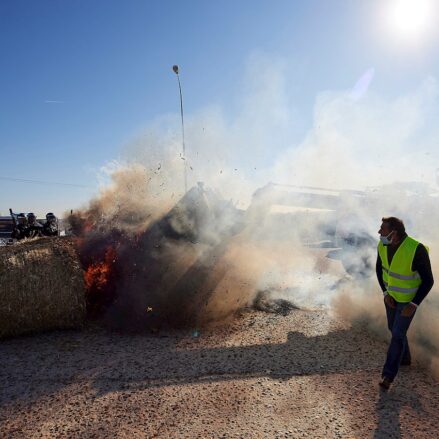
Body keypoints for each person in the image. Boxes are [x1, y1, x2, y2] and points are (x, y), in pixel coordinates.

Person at [376, 217, 434, 390]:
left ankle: (388, 375)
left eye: (383, 229)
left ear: (395, 233)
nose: (379, 232)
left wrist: (414, 304)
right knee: (393, 329)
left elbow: (428, 281)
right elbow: (379, 269)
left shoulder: (417, 249)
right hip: (391, 297)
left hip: (408, 301)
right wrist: (386, 293)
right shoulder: (382, 245)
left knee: (397, 334)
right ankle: (405, 358)